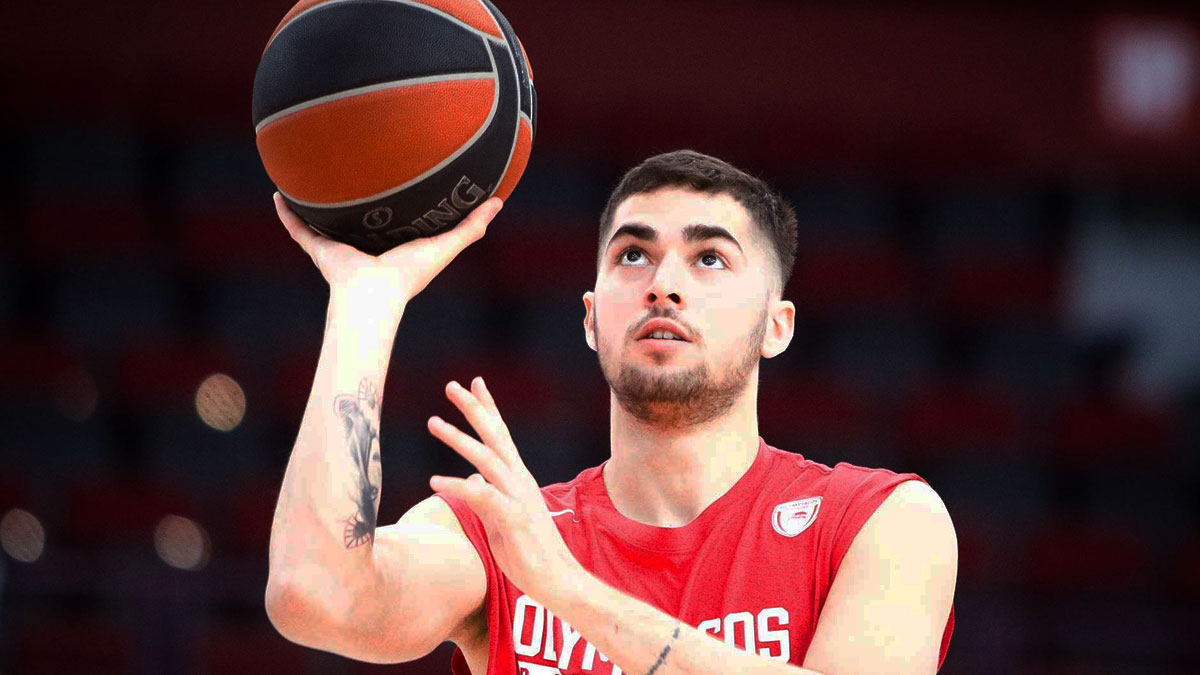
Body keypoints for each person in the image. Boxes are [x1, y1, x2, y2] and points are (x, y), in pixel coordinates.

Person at [264, 150, 957, 675]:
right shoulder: (509, 533)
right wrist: (365, 303)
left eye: (710, 258)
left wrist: (567, 590)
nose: (664, 285)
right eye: (633, 254)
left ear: (776, 326)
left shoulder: (878, 519)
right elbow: (313, 594)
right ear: (592, 319)